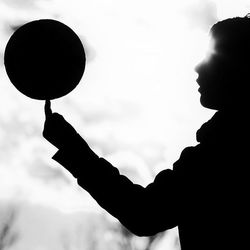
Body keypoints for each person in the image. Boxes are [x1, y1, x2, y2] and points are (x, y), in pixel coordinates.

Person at [43, 16, 250, 250]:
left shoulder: (218, 155)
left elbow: (143, 213)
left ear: (240, 67)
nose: (198, 66)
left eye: (212, 57)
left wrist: (73, 150)